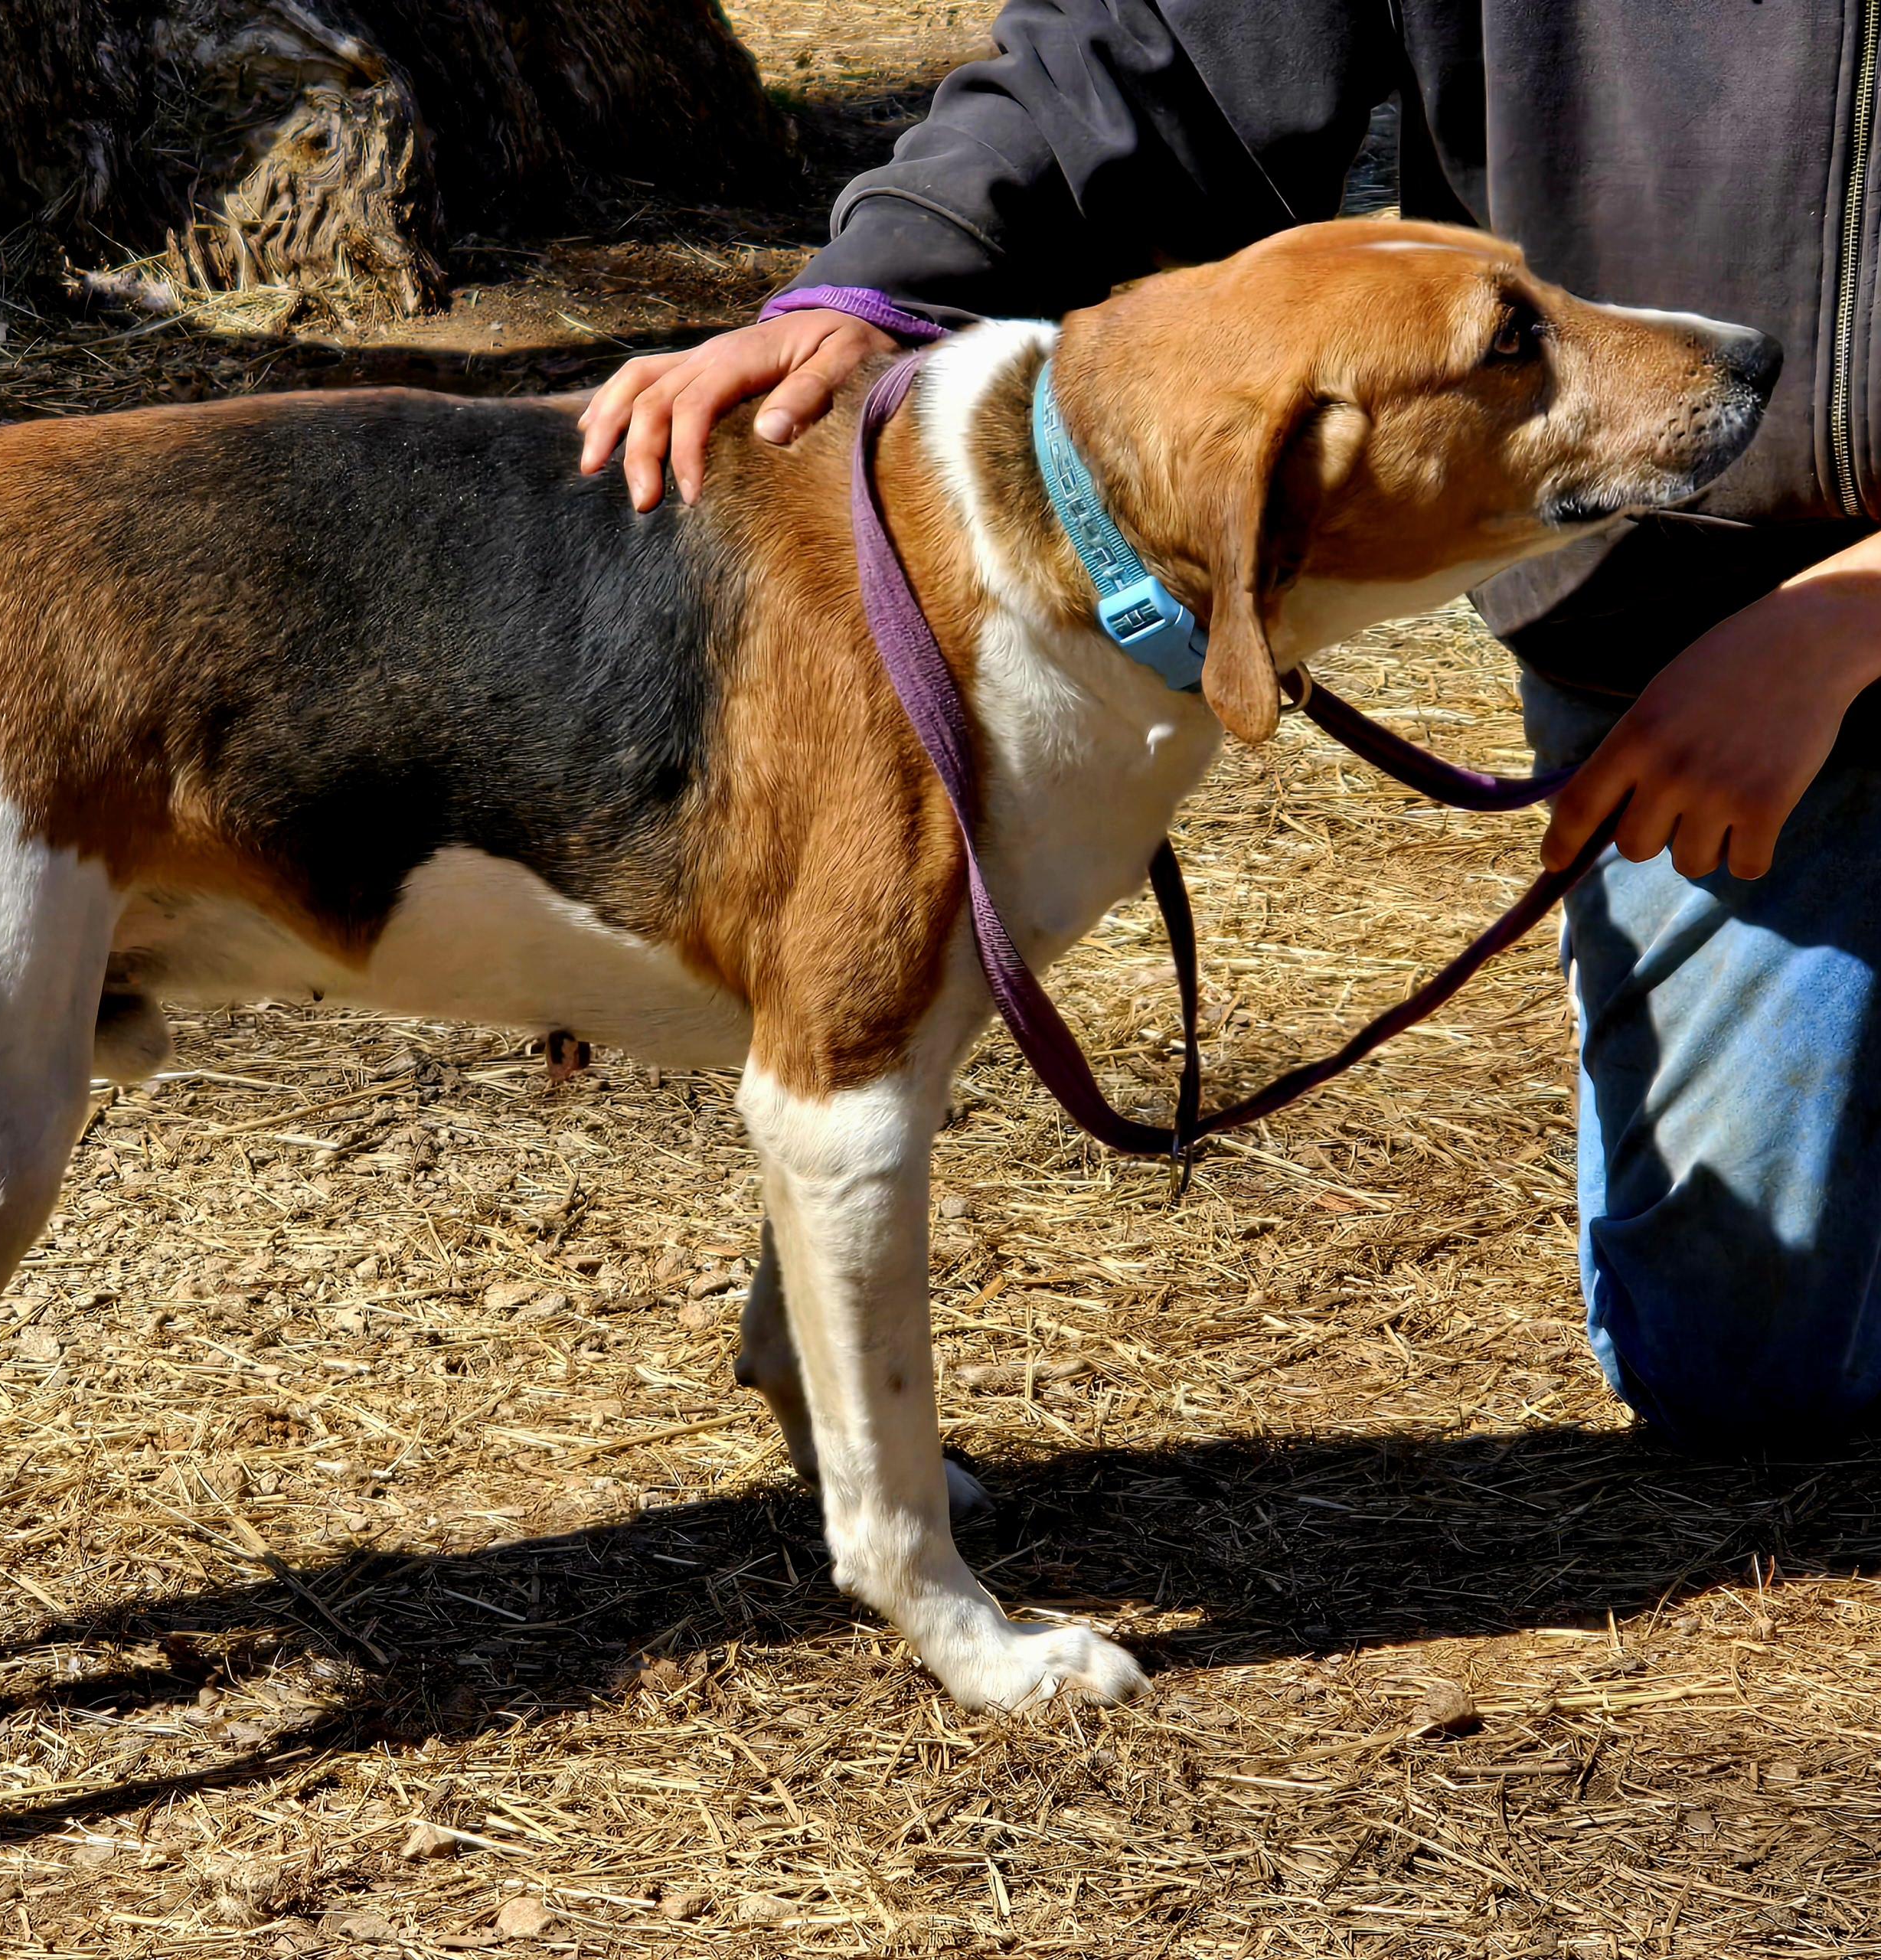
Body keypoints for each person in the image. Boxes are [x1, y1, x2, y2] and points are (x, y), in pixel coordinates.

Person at [581, 2, 1881, 1455]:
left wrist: (1854, 615)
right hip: (1697, 643)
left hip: (1823, 624)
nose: (1710, 351)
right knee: (1748, 1369)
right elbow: (1165, 47)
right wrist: (885, 281)